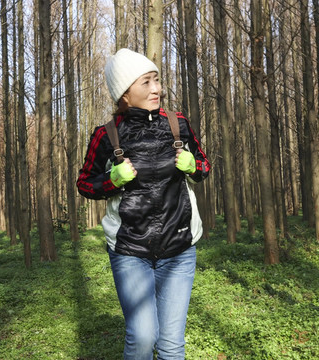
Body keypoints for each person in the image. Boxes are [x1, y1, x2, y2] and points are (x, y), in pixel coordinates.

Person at [76, 48, 210, 360]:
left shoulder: (179, 124)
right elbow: (85, 184)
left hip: (179, 248)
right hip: (130, 251)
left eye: (157, 80)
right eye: (146, 82)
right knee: (142, 336)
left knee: (172, 346)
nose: (156, 89)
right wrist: (113, 180)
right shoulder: (106, 135)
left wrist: (193, 166)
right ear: (124, 94)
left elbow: (203, 168)